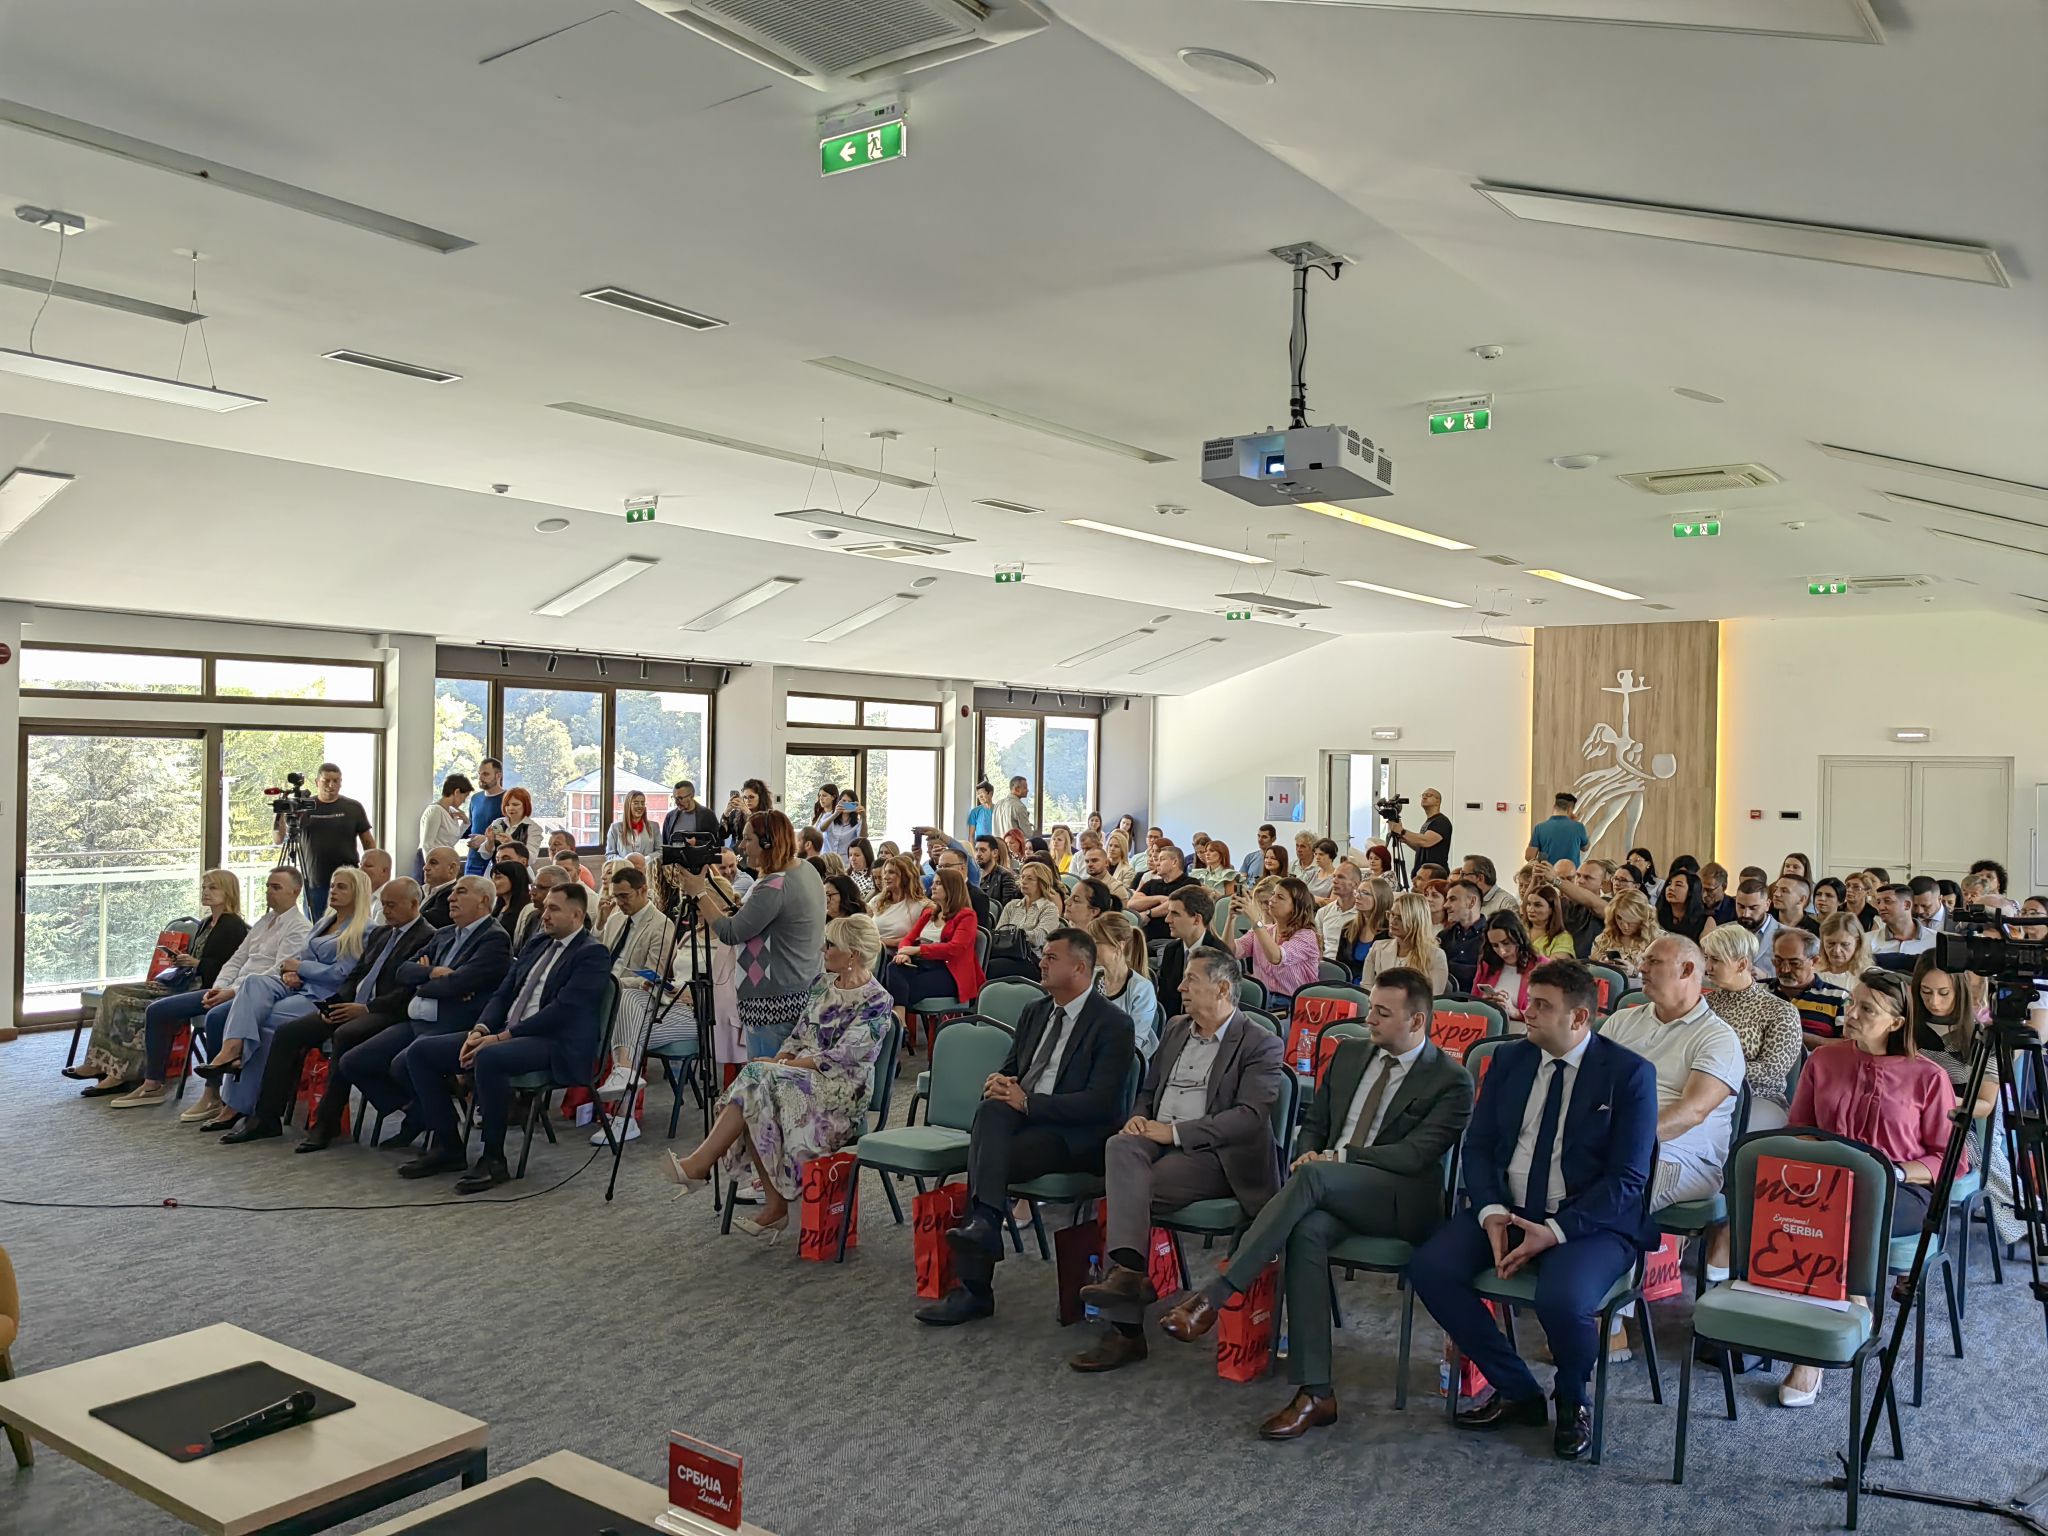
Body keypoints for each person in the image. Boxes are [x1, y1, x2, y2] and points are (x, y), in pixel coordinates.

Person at [1159, 967, 1475, 1438]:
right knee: (1306, 1231)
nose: (1369, 1019)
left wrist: (1335, 1159)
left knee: (1312, 1179)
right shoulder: (1349, 1054)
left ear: (1416, 1021)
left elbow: (1414, 1156)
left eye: (1382, 1013)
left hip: (1398, 1200)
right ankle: (1316, 1392)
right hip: (1329, 1186)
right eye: (1371, 1008)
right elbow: (1315, 1123)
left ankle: (1217, 1295)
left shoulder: (1451, 1080)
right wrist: (1310, 1151)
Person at [1408, 958, 1659, 1461]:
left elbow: (1628, 1180)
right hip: (1509, 1209)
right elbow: (1479, 1147)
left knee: (1561, 1300)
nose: (1528, 1012)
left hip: (1590, 1224)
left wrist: (1556, 1230)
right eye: (1529, 1001)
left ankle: (1572, 1398)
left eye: (1543, 1006)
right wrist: (1490, 1211)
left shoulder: (1629, 1074)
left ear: (1579, 1017)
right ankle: (1517, 1388)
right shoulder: (1510, 1060)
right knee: (1430, 1269)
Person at [1068, 949, 1288, 1372]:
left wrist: (1174, 1133)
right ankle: (1129, 1276)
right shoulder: (1174, 1028)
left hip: (1216, 1155)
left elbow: (1247, 1118)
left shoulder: (1260, 1042)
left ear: (1221, 989)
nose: (1180, 987)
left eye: (1191, 980)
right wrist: (1138, 1117)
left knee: (1131, 1190)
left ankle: (1125, 1327)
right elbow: (1149, 1091)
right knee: (1119, 1146)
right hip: (1156, 1139)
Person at [917, 929, 1136, 1326]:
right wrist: (999, 1083)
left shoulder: (1112, 1024)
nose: (1041, 962)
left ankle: (975, 1282)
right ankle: (985, 1225)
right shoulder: (1036, 1011)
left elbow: (1101, 1104)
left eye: (1051, 957)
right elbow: (1013, 1068)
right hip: (1022, 1122)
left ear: (1079, 968)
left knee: (986, 1156)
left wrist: (1028, 1102)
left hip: (1075, 1138)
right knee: (990, 1113)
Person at [1775, 969, 1956, 1408]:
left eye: (1867, 1009)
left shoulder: (1928, 1076)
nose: (1851, 1014)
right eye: (1852, 1004)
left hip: (1902, 1190)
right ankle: (1852, 1304)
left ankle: (1809, 1355)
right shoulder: (1823, 1060)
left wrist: (1897, 1173)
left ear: (1896, 1022)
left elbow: (1948, 1158)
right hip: (1828, 1184)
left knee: (1839, 1218)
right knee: (1785, 1209)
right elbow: (1799, 1129)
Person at [662, 913, 893, 1235]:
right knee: (757, 1090)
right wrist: (780, 1060)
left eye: (830, 945)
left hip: (840, 1091)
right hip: (800, 1078)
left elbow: (840, 1058)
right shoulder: (822, 984)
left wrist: (780, 1067)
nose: (822, 950)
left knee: (759, 1082)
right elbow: (799, 1035)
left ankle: (708, 1169)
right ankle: (766, 1201)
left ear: (852, 954)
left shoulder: (878, 1001)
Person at [395, 883, 609, 1192]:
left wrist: (501, 1037)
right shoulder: (538, 943)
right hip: (507, 1033)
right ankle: (447, 1146)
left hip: (555, 1041)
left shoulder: (592, 953)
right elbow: (504, 993)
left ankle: (493, 1159)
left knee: (489, 1057)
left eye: (554, 909)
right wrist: (480, 1029)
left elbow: (563, 1011)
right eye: (545, 908)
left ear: (577, 915)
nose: (544, 915)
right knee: (421, 1052)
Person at [299, 874, 510, 1154]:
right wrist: (433, 973)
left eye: (460, 892)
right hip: (419, 1019)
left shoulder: (494, 939)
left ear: (483, 901)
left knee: (405, 1062)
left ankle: (446, 1142)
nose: (450, 897)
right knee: (353, 1062)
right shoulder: (445, 934)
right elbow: (403, 972)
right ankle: (418, 1112)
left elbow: (460, 983)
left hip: (452, 1023)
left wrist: (423, 982)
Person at [219, 878, 435, 1144]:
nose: (386, 910)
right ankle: (265, 1117)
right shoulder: (381, 933)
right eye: (385, 904)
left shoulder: (427, 936)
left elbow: (407, 990)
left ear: (413, 904)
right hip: (353, 1004)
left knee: (345, 1035)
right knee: (287, 1033)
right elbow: (355, 976)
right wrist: (335, 1003)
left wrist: (366, 1008)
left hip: (386, 1011)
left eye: (392, 905)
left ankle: (326, 1122)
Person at [197, 866, 375, 1134]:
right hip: (298, 987)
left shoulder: (364, 929)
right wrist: (290, 971)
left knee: (262, 1026)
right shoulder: (323, 923)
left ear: (358, 893)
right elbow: (297, 959)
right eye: (332, 885)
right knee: (253, 983)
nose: (333, 891)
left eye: (341, 887)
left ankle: (240, 1103)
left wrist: (300, 968)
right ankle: (232, 1053)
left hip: (324, 996)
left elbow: (341, 974)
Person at [124, 868, 309, 1123]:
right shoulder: (265, 921)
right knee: (157, 1010)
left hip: (255, 993)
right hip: (229, 987)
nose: (269, 892)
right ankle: (153, 1083)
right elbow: (237, 960)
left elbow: (277, 971)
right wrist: (220, 987)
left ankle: (212, 1093)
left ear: (295, 892)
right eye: (267, 886)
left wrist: (230, 992)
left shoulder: (299, 927)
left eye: (276, 887)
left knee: (215, 1017)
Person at [1595, 937, 1744, 1242]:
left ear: (1686, 970)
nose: (1641, 968)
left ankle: (1600, 1258)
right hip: (1611, 1140)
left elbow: (1691, 1112)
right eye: (1644, 960)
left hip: (1682, 1157)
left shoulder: (1718, 1038)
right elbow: (1589, 1088)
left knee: (1609, 1186)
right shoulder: (1621, 1021)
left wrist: (1622, 1140)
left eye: (1653, 961)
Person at [76, 870, 249, 1099]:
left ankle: (122, 1072)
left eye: (213, 888)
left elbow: (227, 971)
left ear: (228, 891)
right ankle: (98, 1062)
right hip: (184, 980)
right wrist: (184, 960)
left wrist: (197, 963)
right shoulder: (207, 923)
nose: (206, 892)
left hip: (199, 987)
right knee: (113, 992)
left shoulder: (232, 926)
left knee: (126, 1002)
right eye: (204, 887)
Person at [674, 810, 826, 1060]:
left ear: (767, 842)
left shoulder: (774, 885)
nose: (741, 847)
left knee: (766, 1077)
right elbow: (751, 915)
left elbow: (730, 932)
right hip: (802, 993)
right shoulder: (806, 870)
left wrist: (699, 893)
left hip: (773, 1005)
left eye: (747, 839)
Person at [588, 866, 679, 1133]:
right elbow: (599, 956)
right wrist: (600, 923)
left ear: (643, 891)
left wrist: (610, 984)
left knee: (624, 1010)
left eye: (624, 896)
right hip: (606, 988)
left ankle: (622, 1110)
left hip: (636, 995)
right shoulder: (616, 918)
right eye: (615, 896)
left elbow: (653, 977)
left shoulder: (661, 924)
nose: (619, 902)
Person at [1700, 924, 1801, 1137]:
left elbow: (1771, 1072)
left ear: (1742, 964)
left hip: (1758, 1097)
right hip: (1702, 1090)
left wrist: (1709, 1071)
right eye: (1707, 958)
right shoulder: (1703, 1004)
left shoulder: (1780, 1011)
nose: (1707, 967)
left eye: (1716, 960)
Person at [883, 864, 982, 1023]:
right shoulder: (929, 913)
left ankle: (897, 1024)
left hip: (950, 973)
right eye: (933, 883)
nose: (932, 887)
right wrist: (903, 953)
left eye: (938, 883)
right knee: (894, 967)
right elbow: (907, 939)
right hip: (924, 965)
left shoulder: (967, 916)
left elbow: (955, 948)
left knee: (895, 987)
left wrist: (917, 950)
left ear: (952, 888)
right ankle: (900, 1023)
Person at [290, 762, 375, 920]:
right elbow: (279, 838)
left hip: (349, 881)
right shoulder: (304, 808)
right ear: (317, 782)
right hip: (315, 883)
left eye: (336, 781)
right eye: (326, 780)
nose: (331, 785)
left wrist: (370, 870)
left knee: (351, 924)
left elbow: (368, 843)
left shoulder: (353, 807)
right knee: (317, 928)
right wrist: (281, 814)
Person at [1235, 875, 1321, 1002]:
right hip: (1262, 1000)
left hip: (1291, 1004)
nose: (1272, 900)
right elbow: (1231, 951)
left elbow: (1276, 957)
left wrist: (1255, 920)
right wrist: (1231, 919)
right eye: (1273, 894)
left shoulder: (1307, 936)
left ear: (1296, 906)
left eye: (1280, 897)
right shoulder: (1265, 930)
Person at [1089, 911, 1162, 1059]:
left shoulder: (1141, 989)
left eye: (1096, 942)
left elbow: (1133, 1043)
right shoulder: (1089, 978)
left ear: (1119, 946)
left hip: (1119, 1061)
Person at [1155, 888, 1225, 1022]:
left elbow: (1218, 1008)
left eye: (1175, 914)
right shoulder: (1171, 950)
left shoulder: (1220, 956)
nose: (1167, 919)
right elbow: (1164, 998)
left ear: (1197, 919)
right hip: (1173, 1027)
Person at [986, 861, 1063, 982]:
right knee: (981, 962)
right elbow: (999, 934)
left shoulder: (1049, 909)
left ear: (1041, 883)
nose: (1023, 881)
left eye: (1030, 878)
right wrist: (1016, 937)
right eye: (1022, 877)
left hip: (1032, 959)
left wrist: (1015, 935)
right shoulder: (1012, 906)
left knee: (991, 967)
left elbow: (1039, 938)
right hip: (1006, 954)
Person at [1361, 892, 1450, 994]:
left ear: (1416, 920)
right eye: (1391, 914)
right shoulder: (1377, 948)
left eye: (1400, 917)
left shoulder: (1436, 956)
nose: (1393, 921)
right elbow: (1366, 988)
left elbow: (1433, 997)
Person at [1771, 928, 1851, 1040]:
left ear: (1814, 962)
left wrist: (1790, 1035)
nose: (1784, 969)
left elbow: (1849, 1045)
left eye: (1794, 963)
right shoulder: (1757, 989)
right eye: (1778, 961)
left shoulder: (1840, 998)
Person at [1473, 912, 1540, 1023]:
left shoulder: (1542, 967)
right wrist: (1484, 1005)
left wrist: (1515, 1013)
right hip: (1489, 1025)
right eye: (1495, 945)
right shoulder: (1487, 964)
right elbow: (1472, 1004)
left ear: (1519, 938)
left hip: (1523, 1029)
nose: (1502, 951)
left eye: (1506, 943)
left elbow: (1548, 1017)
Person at [1128, 843, 1199, 946]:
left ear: (1174, 862)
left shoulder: (1190, 883)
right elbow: (1132, 904)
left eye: (1162, 859)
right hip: (1144, 941)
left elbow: (1175, 905)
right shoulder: (1151, 883)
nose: (1157, 863)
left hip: (1171, 941)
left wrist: (1149, 913)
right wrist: (1159, 898)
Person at [1593, 889, 1661, 980]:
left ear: (1642, 918)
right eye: (1619, 918)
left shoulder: (1659, 940)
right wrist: (1600, 967)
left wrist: (1636, 973)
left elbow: (1666, 977)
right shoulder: (1603, 939)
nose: (1624, 926)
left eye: (1630, 920)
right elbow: (1589, 973)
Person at [870, 855, 931, 948]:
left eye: (891, 872)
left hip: (897, 953)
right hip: (871, 950)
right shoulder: (877, 901)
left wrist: (882, 941)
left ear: (905, 876)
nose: (885, 877)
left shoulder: (922, 906)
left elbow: (920, 939)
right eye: (885, 872)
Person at [1439, 880, 1488, 994]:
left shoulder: (1492, 937)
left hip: (1478, 1001)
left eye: (1453, 899)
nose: (1445, 905)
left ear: (1472, 902)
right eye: (1447, 900)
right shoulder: (1444, 936)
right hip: (1445, 1000)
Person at [417, 775, 472, 875]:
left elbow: (451, 842)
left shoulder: (452, 812)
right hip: (432, 864)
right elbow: (427, 844)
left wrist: (466, 823)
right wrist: (431, 867)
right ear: (457, 792)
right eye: (465, 796)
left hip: (445, 864)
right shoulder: (435, 810)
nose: (464, 801)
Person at [1388, 787, 1452, 872]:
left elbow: (1426, 841)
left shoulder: (1441, 821)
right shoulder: (1429, 822)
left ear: (1438, 801)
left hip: (1435, 874)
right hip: (1423, 873)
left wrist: (1402, 831)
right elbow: (1421, 848)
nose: (1424, 797)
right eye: (1423, 795)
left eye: (1428, 795)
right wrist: (1406, 840)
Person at [462, 758, 506, 876]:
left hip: (497, 863)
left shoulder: (508, 799)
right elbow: (470, 828)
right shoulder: (475, 798)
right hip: (473, 861)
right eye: (479, 774)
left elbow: (514, 832)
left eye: (486, 774)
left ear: (498, 775)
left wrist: (487, 839)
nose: (481, 778)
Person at [1524, 792, 1590, 867]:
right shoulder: (1579, 827)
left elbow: (1529, 857)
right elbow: (1585, 847)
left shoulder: (1539, 828)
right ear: (1570, 810)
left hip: (1547, 871)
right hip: (1570, 873)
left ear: (1554, 807)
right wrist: (1575, 824)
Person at [483, 786, 546, 865]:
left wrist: (512, 843)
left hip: (519, 871)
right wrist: (489, 841)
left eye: (515, 804)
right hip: (496, 869)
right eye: (507, 805)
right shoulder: (497, 823)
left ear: (526, 805)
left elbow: (531, 859)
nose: (510, 808)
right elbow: (485, 856)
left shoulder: (533, 828)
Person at [1870, 882, 1936, 957]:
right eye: (1878, 902)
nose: (1880, 907)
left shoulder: (1935, 940)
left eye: (1887, 901)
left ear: (1907, 905)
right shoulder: (1868, 940)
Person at [1654, 868, 1716, 944]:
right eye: (1669, 884)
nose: (1671, 888)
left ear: (1691, 891)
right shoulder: (1656, 915)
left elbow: (1708, 949)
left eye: (1678, 885)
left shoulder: (1706, 921)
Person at [1818, 912, 1875, 991]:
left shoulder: (1868, 977)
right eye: (1831, 943)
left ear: (1857, 943)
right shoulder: (1811, 972)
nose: (1837, 950)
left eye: (1845, 944)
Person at [1317, 861, 1362, 961]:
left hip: (1351, 965)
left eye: (1341, 877)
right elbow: (1317, 947)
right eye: (1334, 876)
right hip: (1326, 964)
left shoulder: (1363, 913)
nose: (1334, 881)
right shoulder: (1323, 912)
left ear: (1355, 884)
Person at [1518, 882, 1576, 960]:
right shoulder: (1519, 930)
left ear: (1551, 909)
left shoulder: (1562, 938)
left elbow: (1554, 965)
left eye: (1537, 905)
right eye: (1529, 904)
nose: (1530, 909)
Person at [660, 780, 720, 847]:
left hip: (700, 853)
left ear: (691, 796)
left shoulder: (708, 815)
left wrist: (697, 843)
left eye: (680, 798)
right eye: (674, 798)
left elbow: (718, 842)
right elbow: (665, 844)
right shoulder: (670, 816)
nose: (676, 802)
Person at [604, 789, 660, 862]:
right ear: (628, 805)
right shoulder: (615, 828)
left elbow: (660, 851)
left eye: (642, 803)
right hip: (624, 868)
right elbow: (610, 854)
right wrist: (625, 862)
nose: (640, 806)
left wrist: (645, 860)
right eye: (636, 803)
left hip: (647, 868)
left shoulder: (654, 827)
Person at [971, 834, 1021, 911]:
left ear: (995, 853)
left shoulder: (1005, 876)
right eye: (976, 850)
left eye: (983, 850)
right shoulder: (973, 875)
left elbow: (1007, 909)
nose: (978, 854)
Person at [420, 846, 463, 927]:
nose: (425, 868)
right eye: (426, 863)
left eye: (433, 863)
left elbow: (433, 920)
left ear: (451, 868)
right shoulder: (418, 890)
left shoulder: (453, 894)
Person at [491, 862, 532, 944]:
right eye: (492, 878)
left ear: (515, 879)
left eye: (498, 878)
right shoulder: (497, 906)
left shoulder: (527, 909)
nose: (492, 882)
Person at [993, 774, 1034, 842]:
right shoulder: (1019, 806)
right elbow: (1028, 833)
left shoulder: (998, 804)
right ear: (1017, 789)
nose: (1027, 790)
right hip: (1013, 845)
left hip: (998, 845)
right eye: (1025, 788)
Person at [1698, 862, 1735, 926]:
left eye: (1709, 890)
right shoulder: (1693, 906)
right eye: (1701, 889)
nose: (1704, 895)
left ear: (1724, 887)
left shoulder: (1735, 910)